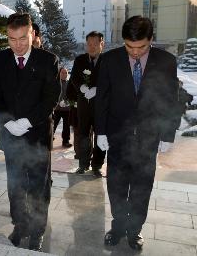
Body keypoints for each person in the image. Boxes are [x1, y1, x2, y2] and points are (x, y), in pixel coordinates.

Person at [95, 16, 181, 250]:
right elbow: (102, 98)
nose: (134, 52)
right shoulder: (109, 60)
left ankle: (135, 230)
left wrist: (168, 133)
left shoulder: (166, 61)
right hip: (117, 135)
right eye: (129, 46)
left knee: (142, 185)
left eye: (141, 46)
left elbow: (171, 99)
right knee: (116, 184)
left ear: (150, 40)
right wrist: (100, 132)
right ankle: (118, 226)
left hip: (148, 135)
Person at [0, 13, 60, 252]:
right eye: (12, 39)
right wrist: (6, 122)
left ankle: (38, 230)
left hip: (37, 135)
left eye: (23, 38)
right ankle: (20, 225)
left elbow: (51, 97)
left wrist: (28, 121)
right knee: (15, 185)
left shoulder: (47, 60)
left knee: (39, 185)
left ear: (33, 34)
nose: (17, 45)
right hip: (11, 136)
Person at [69, 31, 106, 177]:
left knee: (100, 136)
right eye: (89, 44)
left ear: (101, 44)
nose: (92, 47)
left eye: (95, 44)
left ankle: (97, 165)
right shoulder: (80, 60)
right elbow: (74, 78)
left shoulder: (107, 60)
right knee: (83, 135)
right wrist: (82, 88)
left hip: (101, 107)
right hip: (84, 105)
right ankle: (83, 164)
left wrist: (98, 89)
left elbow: (111, 80)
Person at [53, 67, 72, 148]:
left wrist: (68, 102)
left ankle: (66, 141)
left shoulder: (69, 83)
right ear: (59, 73)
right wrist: (58, 102)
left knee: (66, 126)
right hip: (56, 109)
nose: (64, 74)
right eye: (62, 72)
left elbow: (72, 95)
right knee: (53, 125)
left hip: (67, 109)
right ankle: (49, 139)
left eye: (66, 73)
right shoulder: (55, 82)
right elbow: (53, 94)